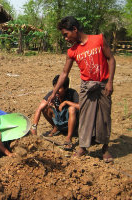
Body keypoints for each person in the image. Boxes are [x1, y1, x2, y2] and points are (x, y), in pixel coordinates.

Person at [47, 16, 116, 162]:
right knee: (85, 117)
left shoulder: (98, 39)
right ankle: (83, 148)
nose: (65, 38)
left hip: (103, 85)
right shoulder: (72, 51)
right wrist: (54, 92)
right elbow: (64, 73)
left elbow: (111, 59)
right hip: (87, 87)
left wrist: (110, 82)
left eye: (66, 34)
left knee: (104, 117)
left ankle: (105, 149)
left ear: (75, 29)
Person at [31, 75, 79, 150]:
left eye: (59, 88)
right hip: (59, 118)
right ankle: (56, 127)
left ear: (66, 88)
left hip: (71, 122)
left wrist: (67, 102)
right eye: (55, 87)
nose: (56, 90)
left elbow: (80, 106)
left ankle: (69, 137)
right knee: (45, 108)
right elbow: (39, 109)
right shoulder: (53, 94)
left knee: (72, 109)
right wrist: (34, 128)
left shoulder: (72, 93)